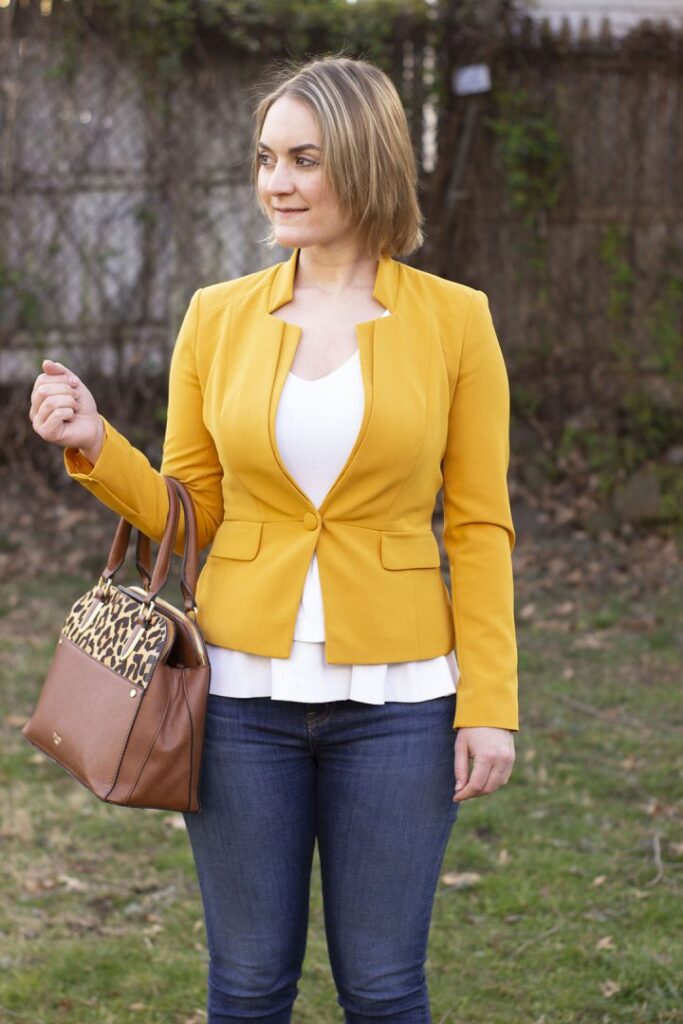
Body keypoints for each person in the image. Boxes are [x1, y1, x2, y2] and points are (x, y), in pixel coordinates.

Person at [29, 54, 518, 1024]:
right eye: (265, 158)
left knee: (382, 986)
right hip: (240, 695)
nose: (276, 182)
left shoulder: (457, 322)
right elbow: (190, 511)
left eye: (303, 157)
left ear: (368, 162)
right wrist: (94, 445)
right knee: (247, 984)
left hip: (401, 701)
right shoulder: (215, 319)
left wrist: (489, 704)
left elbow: (478, 523)